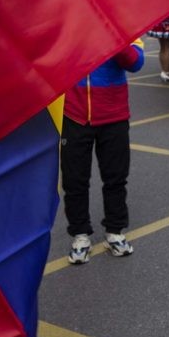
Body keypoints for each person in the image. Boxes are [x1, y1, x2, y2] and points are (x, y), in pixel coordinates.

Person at [61, 40, 144, 263]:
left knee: (115, 177)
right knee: (74, 180)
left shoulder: (121, 27)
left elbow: (136, 62)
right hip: (73, 116)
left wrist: (115, 39)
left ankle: (115, 232)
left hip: (114, 115)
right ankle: (80, 235)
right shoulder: (70, 28)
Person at [146, 14, 169, 82]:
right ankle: (167, 73)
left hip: (160, 19)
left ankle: (164, 71)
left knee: (163, 47)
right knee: (168, 47)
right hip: (168, 21)